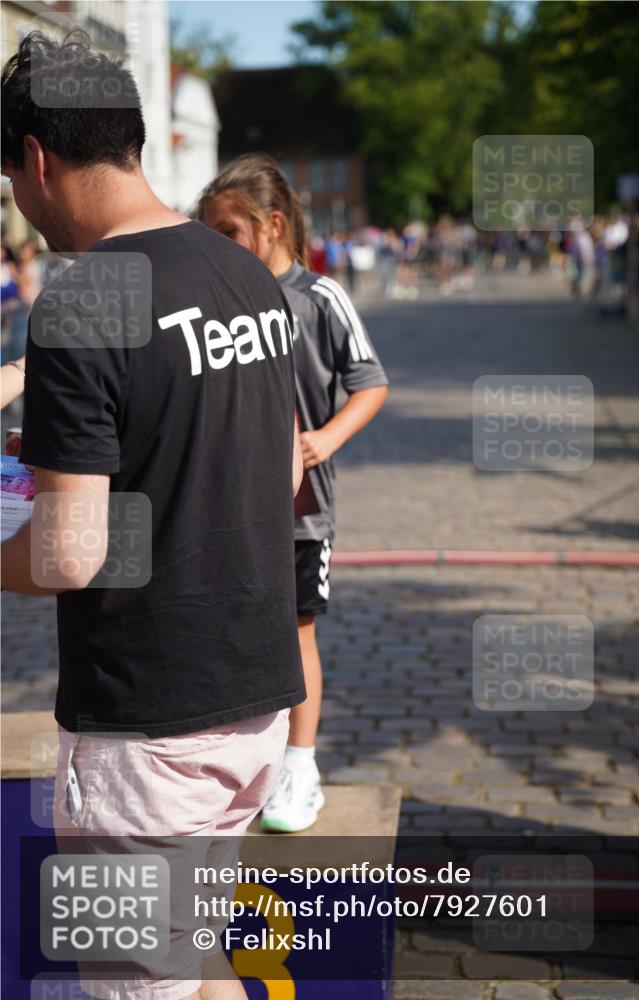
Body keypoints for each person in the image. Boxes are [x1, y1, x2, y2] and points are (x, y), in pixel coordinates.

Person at [1, 32, 305, 1000]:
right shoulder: (244, 274)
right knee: (198, 956)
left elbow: (69, 554)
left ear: (36, 161)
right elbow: (256, 463)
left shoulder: (84, 299)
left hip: (150, 723)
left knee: (138, 984)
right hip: (253, 702)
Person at [197, 155, 388, 833]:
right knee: (232, 630)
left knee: (295, 627)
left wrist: (326, 439)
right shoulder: (211, 302)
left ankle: (299, 767)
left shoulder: (320, 297)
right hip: (225, 507)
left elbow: (370, 382)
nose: (215, 246)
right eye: (206, 233)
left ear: (273, 226)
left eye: (228, 232)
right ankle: (245, 763)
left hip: (302, 514)